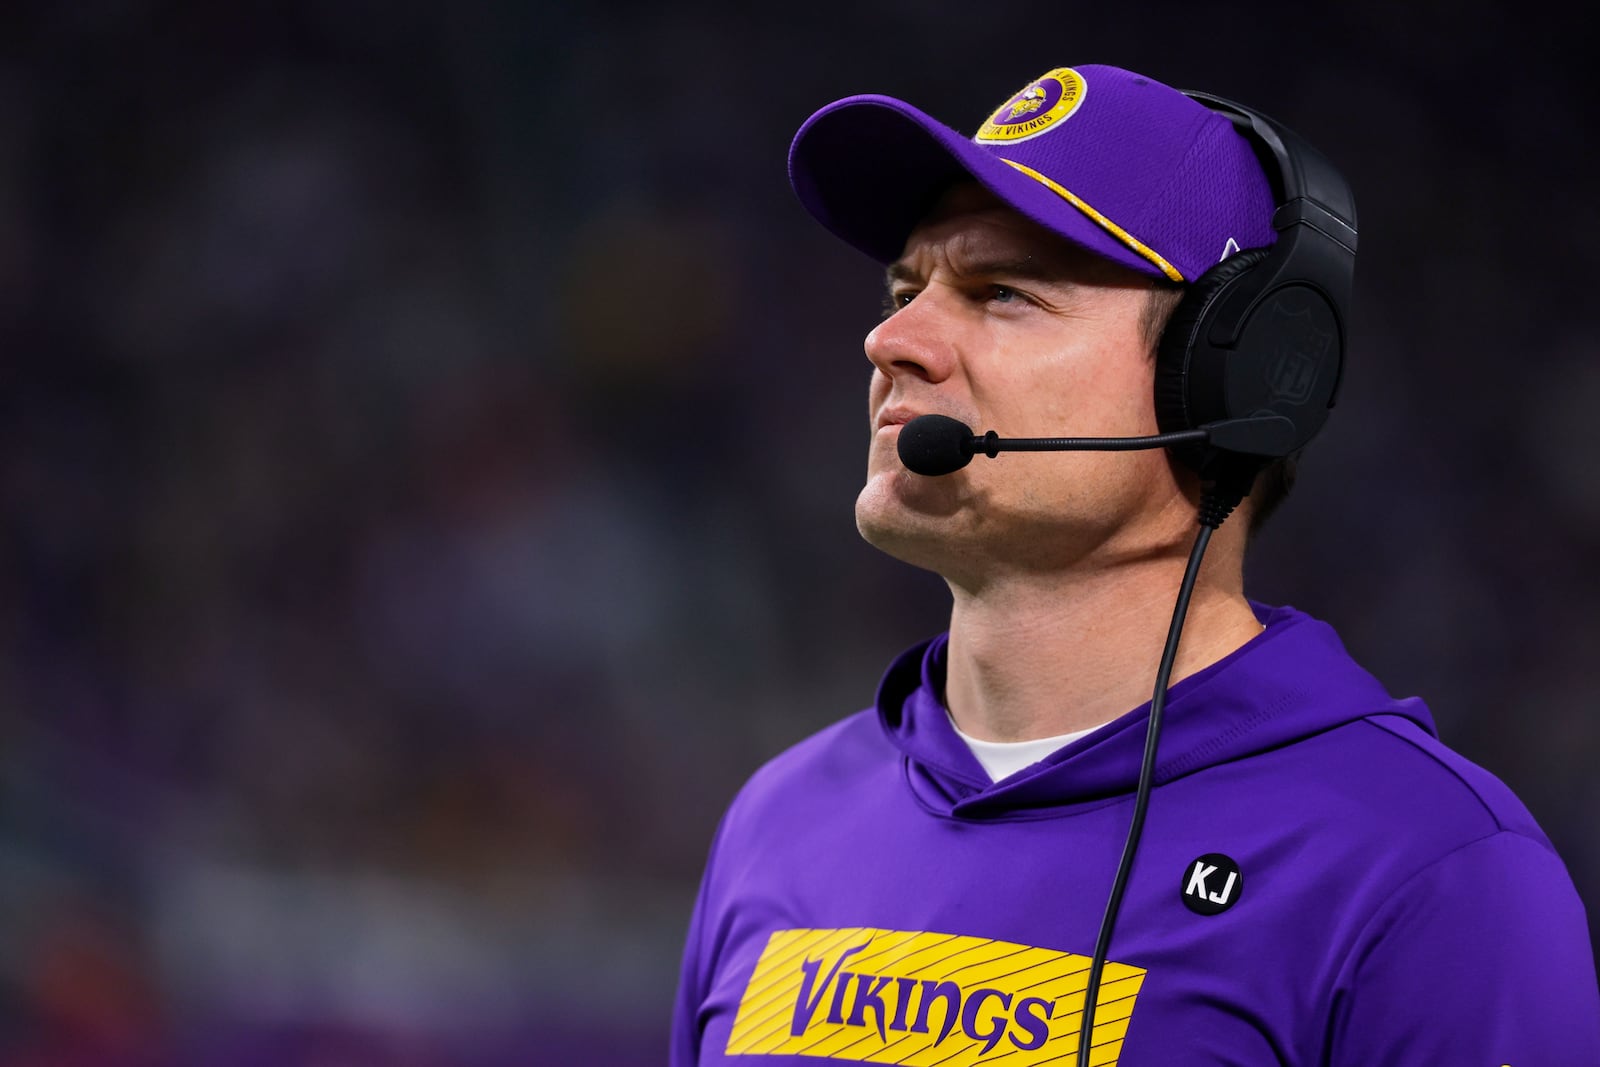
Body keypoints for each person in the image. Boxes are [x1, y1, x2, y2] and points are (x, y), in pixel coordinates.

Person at [671, 63, 1600, 1065]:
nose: (891, 338)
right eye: (907, 288)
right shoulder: (780, 818)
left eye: (1001, 292)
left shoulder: (1427, 869)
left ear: (1235, 373)